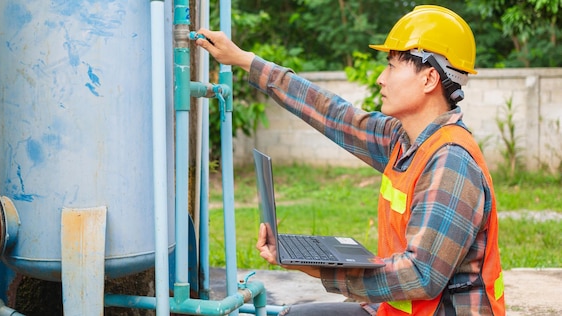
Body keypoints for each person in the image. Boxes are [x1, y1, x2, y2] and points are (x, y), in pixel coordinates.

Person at [196, 5, 505, 316]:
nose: (382, 79)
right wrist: (244, 60)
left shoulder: (451, 162)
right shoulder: (403, 140)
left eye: (392, 66)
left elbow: (420, 276)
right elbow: (334, 115)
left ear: (429, 79)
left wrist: (322, 270)